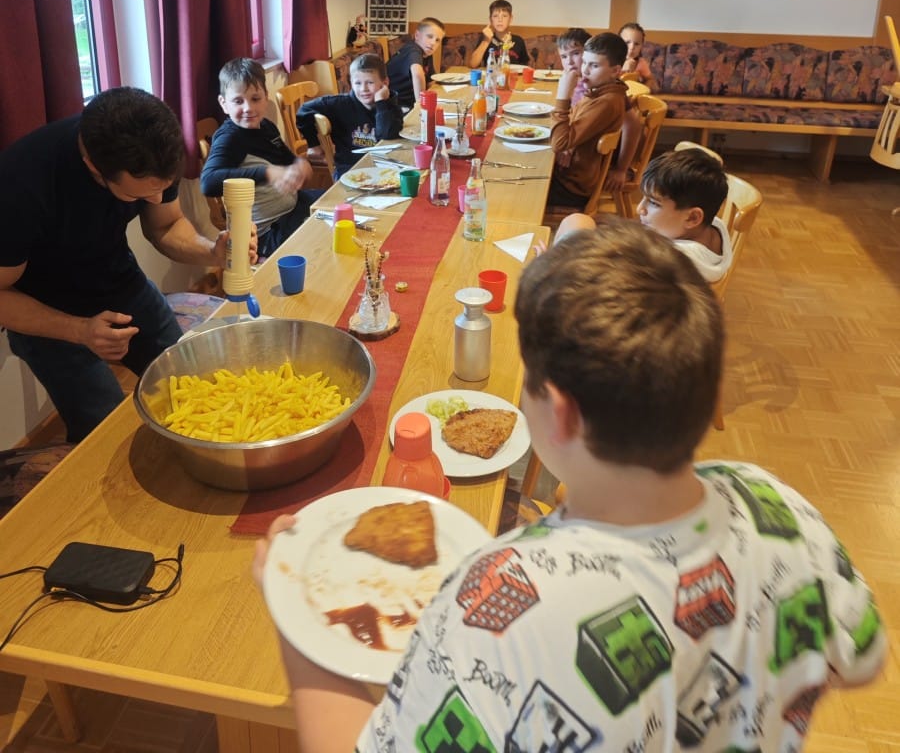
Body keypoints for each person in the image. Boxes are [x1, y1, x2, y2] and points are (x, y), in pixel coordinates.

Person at [254, 223, 886, 751]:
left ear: (558, 413)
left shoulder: (500, 599)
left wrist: (292, 613)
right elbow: (863, 660)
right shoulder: (777, 501)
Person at [0, 87, 254, 443]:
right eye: (140, 195)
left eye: (161, 189)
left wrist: (212, 251)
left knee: (193, 385)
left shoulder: (154, 152)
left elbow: (165, 226)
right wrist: (80, 331)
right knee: (104, 431)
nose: (156, 199)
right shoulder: (21, 186)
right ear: (94, 168)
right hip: (45, 310)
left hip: (119, 281)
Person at [201, 58, 320, 260]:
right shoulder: (229, 138)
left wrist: (301, 165)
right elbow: (208, 182)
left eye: (255, 99)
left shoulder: (267, 127)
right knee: (321, 244)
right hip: (265, 232)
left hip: (294, 207)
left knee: (340, 209)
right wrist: (267, 173)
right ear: (224, 104)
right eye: (238, 101)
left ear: (266, 97)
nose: (248, 108)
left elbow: (288, 159)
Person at [547, 31, 628, 209]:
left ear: (615, 71)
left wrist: (563, 96)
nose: (585, 70)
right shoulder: (598, 91)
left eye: (594, 65)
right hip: (568, 175)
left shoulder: (606, 102)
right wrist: (569, 144)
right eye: (584, 62)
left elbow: (559, 143)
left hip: (571, 188)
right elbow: (569, 131)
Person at [296, 52, 403, 178]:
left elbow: (387, 135)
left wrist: (381, 103)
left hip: (383, 167)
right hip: (349, 170)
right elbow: (304, 110)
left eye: (370, 82)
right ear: (351, 83)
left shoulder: (389, 105)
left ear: (385, 83)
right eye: (357, 83)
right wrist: (313, 144)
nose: (363, 89)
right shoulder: (340, 104)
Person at [637, 145, 733, 283]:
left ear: (692, 218)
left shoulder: (671, 261)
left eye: (654, 203)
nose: (640, 209)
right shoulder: (715, 226)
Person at [384, 16, 444, 111]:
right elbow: (418, 74)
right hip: (395, 104)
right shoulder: (413, 50)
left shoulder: (426, 53)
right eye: (429, 36)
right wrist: (422, 106)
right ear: (417, 35)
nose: (433, 43)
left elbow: (431, 81)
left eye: (437, 40)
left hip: (408, 102)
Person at [468, 0, 529, 68]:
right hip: (491, 74)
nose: (500, 20)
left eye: (504, 16)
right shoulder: (485, 38)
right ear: (491, 19)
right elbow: (473, 64)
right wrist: (486, 41)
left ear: (510, 19)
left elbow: (525, 66)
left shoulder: (518, 40)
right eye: (495, 16)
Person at [557, 26, 591, 104]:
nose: (569, 62)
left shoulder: (590, 86)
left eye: (576, 53)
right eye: (564, 56)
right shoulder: (573, 81)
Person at [619, 20, 656, 89]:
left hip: (634, 93)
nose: (632, 47)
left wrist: (644, 88)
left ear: (642, 46)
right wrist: (623, 69)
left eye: (636, 44)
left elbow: (650, 79)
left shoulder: (641, 63)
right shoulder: (612, 61)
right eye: (627, 42)